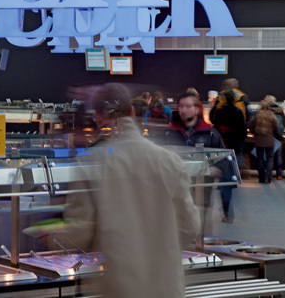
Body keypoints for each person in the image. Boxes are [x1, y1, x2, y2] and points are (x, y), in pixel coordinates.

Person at [53, 83, 200, 298]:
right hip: (166, 287)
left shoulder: (89, 163)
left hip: (116, 287)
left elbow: (80, 235)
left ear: (97, 116)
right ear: (132, 112)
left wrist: (52, 237)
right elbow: (190, 227)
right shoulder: (169, 160)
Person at [164, 89, 236, 223]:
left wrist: (216, 169)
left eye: (188, 106)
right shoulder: (169, 132)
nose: (183, 110)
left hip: (201, 189)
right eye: (181, 106)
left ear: (197, 109)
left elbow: (222, 156)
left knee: (198, 223)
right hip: (175, 189)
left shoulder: (210, 133)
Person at [211, 78, 250, 167]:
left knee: (222, 156)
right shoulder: (242, 97)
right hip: (237, 136)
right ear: (235, 85)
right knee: (237, 156)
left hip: (223, 134)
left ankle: (224, 174)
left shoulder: (220, 98)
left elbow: (212, 116)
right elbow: (247, 116)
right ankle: (235, 175)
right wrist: (243, 135)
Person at [249, 100, 279, 184]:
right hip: (269, 140)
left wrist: (254, 133)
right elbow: (276, 127)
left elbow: (251, 126)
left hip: (259, 140)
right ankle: (268, 177)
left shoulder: (256, 115)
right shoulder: (272, 116)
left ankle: (261, 178)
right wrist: (273, 134)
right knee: (270, 159)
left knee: (260, 159)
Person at [264, 95, 285, 180]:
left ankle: (269, 174)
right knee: (278, 155)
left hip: (268, 135)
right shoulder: (280, 109)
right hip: (279, 136)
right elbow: (284, 122)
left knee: (269, 156)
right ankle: (279, 174)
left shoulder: (265, 110)